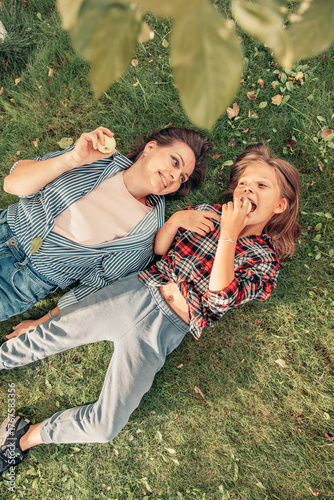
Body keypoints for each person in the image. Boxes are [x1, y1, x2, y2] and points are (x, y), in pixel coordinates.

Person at [0, 143, 301, 476]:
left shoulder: (264, 261)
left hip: (163, 331)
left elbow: (220, 298)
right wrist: (175, 220)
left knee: (106, 425)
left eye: (261, 186)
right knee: (44, 338)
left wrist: (229, 235)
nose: (248, 191)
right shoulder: (206, 214)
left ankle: (25, 436)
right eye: (244, 183)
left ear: (280, 205)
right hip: (136, 292)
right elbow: (160, 250)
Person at [0, 126, 209, 323]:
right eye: (175, 161)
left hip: (23, 282)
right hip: (6, 227)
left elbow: (97, 284)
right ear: (151, 147)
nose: (175, 176)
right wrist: (72, 158)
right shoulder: (95, 159)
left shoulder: (145, 235)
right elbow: (12, 184)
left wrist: (44, 321)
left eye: (182, 177)